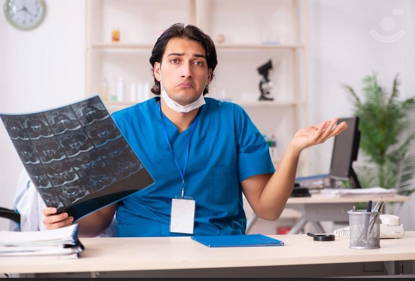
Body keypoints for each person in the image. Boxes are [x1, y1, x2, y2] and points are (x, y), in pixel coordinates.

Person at [43, 23, 348, 237]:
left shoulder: (232, 119)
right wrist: (67, 221)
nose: (187, 71)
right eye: (175, 61)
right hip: (142, 254)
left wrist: (293, 149)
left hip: (220, 252)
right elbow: (99, 220)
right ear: (157, 70)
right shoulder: (124, 125)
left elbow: (268, 210)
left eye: (198, 62)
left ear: (209, 73)